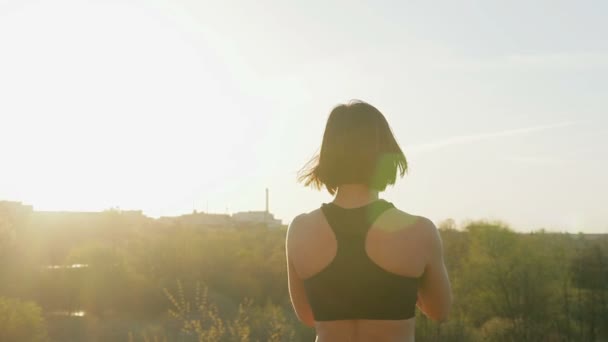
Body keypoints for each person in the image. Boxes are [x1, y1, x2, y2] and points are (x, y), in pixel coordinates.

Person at [286, 100, 452, 341]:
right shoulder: (420, 231)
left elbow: (308, 316)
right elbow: (439, 312)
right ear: (386, 154)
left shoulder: (300, 230)